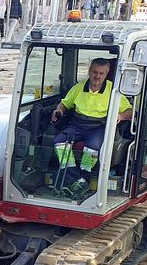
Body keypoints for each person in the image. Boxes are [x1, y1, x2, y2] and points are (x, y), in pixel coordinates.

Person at [49, 57, 133, 196]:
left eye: (101, 73)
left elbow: (130, 111)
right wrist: (59, 110)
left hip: (98, 127)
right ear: (89, 71)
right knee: (59, 143)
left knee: (91, 149)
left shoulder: (113, 91)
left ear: (106, 74)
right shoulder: (78, 88)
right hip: (77, 125)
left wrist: (120, 116)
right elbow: (65, 103)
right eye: (94, 72)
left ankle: (81, 179)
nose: (97, 76)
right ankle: (77, 180)